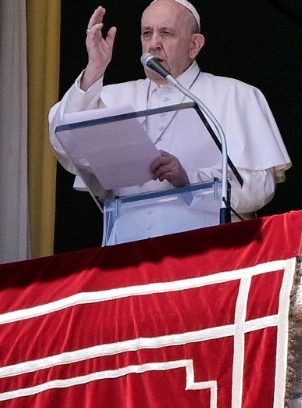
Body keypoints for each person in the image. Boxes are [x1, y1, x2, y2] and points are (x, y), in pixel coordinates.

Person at [48, 0, 291, 244]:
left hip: (205, 249)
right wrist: (95, 68)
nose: (154, 43)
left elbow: (259, 187)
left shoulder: (236, 95)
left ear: (194, 45)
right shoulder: (113, 96)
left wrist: (190, 180)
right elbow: (65, 141)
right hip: (127, 249)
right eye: (147, 33)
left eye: (166, 33)